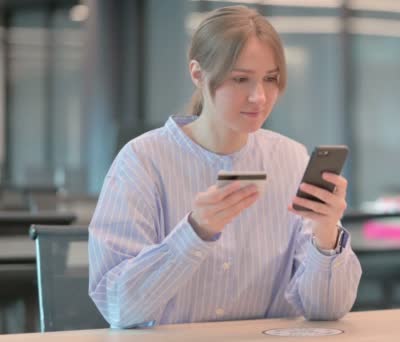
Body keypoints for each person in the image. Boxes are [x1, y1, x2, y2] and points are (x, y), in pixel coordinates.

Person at [88, 5, 362, 329]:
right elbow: (120, 307)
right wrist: (194, 232)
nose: (259, 97)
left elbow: (326, 311)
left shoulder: (291, 159)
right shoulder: (142, 161)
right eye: (240, 79)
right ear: (197, 74)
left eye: (270, 79)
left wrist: (326, 233)